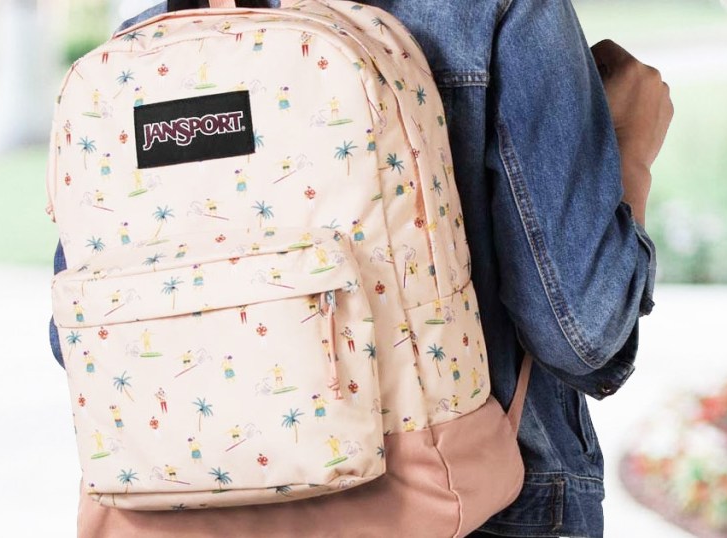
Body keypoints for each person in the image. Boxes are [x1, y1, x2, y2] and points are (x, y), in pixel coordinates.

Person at [48, 0, 672, 536]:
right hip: (478, 509)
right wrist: (630, 149)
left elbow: (77, 342)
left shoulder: (153, 37)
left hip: (180, 515)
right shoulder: (495, 9)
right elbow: (580, 331)